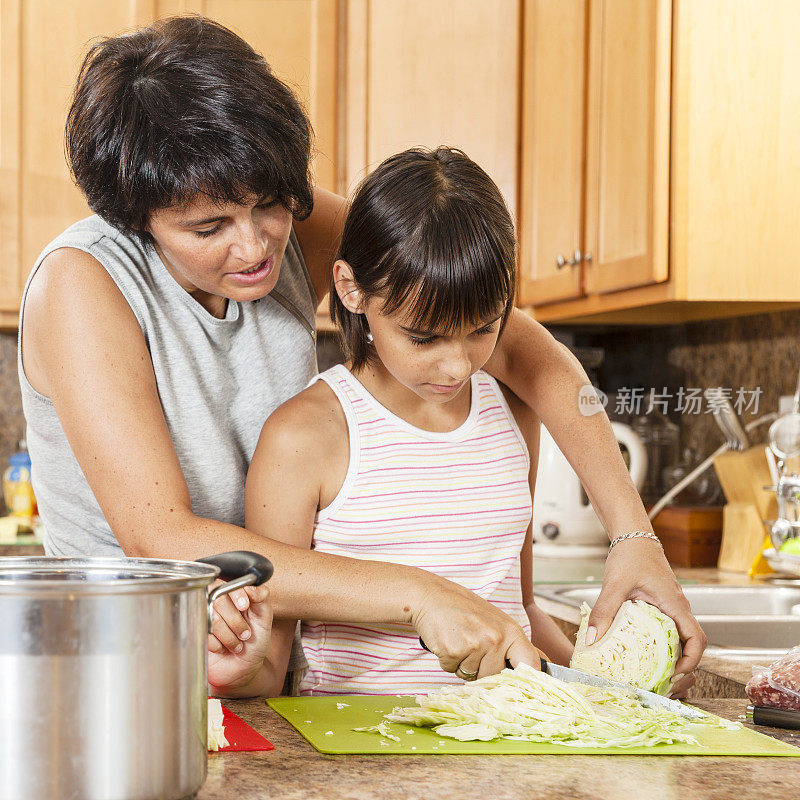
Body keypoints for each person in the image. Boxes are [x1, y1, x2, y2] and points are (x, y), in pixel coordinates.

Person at [17, 15, 704, 693]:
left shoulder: (286, 216)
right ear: (136, 215)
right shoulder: (83, 285)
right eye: (208, 227)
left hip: (249, 634)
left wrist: (632, 535)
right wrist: (419, 595)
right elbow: (160, 538)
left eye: (271, 205)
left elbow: (534, 356)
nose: (256, 246)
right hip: (120, 663)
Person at [236, 147, 577, 697]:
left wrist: (607, 686)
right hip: (361, 757)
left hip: (504, 752)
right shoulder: (304, 436)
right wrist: (236, 669)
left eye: (483, 329)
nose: (457, 365)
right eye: (424, 337)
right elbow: (270, 666)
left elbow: (523, 608)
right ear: (351, 289)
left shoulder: (512, 411)